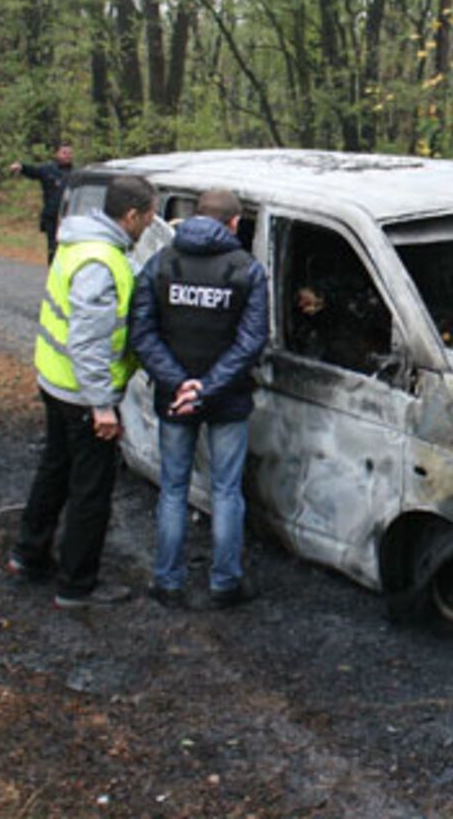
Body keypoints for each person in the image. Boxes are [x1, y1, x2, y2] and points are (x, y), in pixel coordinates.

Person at [5, 174, 156, 608]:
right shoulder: (100, 262)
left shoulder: (80, 243)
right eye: (148, 215)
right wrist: (102, 406)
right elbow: (88, 342)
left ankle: (28, 555)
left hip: (55, 383)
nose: (150, 224)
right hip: (81, 394)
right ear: (131, 216)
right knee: (91, 489)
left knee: (53, 470)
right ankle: (77, 584)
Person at [129, 189, 268, 610]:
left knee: (173, 489)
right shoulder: (247, 269)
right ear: (234, 223)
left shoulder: (161, 264)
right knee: (226, 492)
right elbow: (251, 342)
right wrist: (207, 386)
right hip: (227, 400)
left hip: (175, 399)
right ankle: (225, 582)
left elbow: (142, 332)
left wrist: (180, 384)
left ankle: (167, 581)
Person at [10, 143, 75, 263]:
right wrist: (21, 168)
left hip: (69, 217)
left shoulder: (76, 174)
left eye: (70, 153)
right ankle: (53, 274)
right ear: (57, 154)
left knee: (68, 247)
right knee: (53, 247)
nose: (67, 156)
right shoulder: (49, 170)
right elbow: (34, 171)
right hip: (52, 215)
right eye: (64, 153)